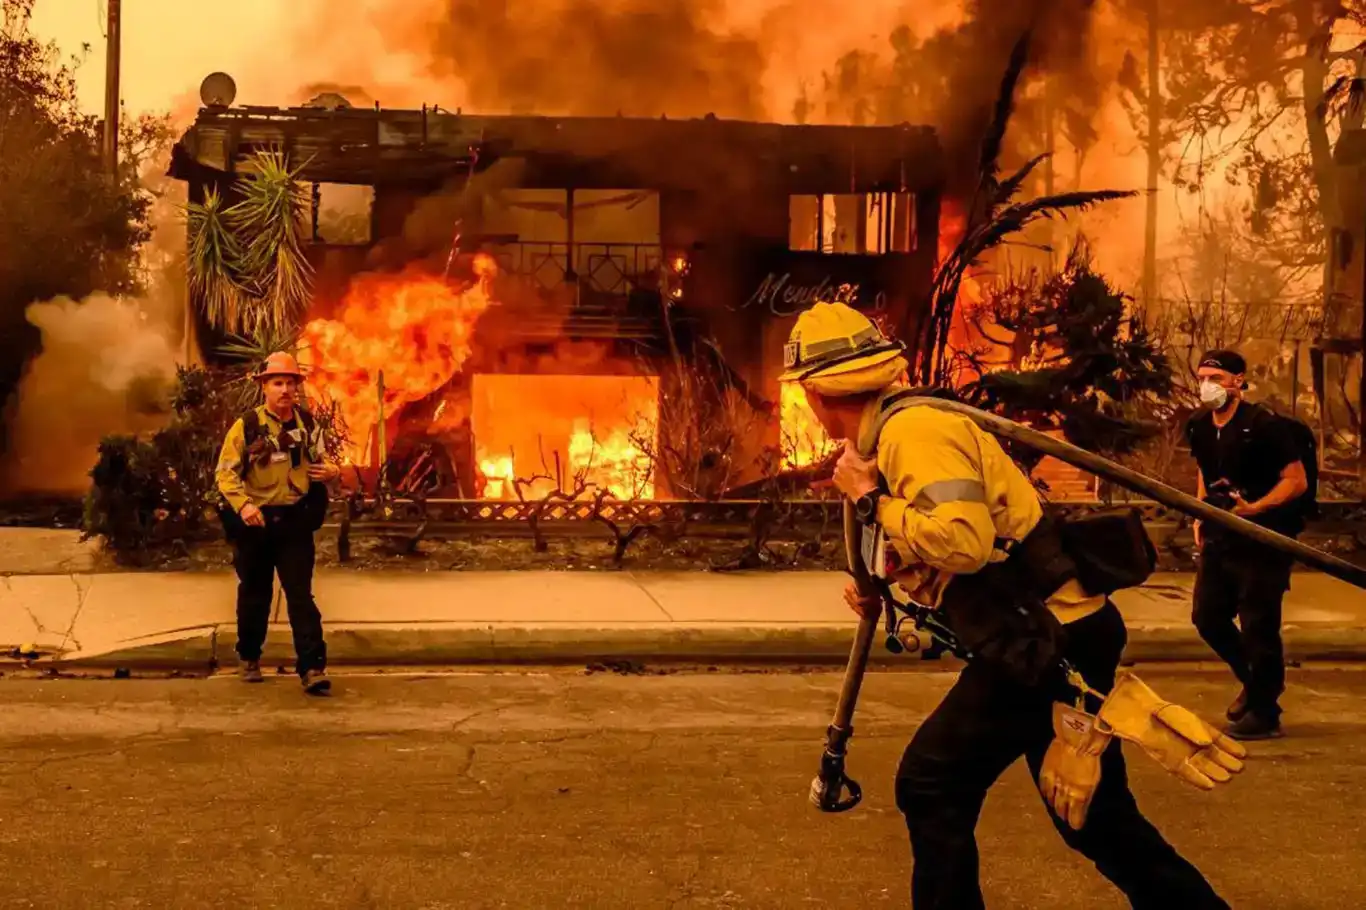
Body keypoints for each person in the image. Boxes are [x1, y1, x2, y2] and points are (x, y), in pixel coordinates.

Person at [781, 301, 1232, 909]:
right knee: (1093, 820)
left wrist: (868, 499)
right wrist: (877, 579)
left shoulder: (914, 433)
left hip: (1047, 639)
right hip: (1051, 632)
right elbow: (932, 535)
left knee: (932, 783)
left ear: (814, 392)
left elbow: (963, 542)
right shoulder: (886, 437)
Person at [1185, 349, 1310, 740]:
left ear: (1238, 380)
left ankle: (1265, 712)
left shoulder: (1264, 425)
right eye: (1203, 378)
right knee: (1208, 618)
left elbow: (1296, 481)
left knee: (1258, 625)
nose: (1208, 386)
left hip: (1264, 539)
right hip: (1220, 535)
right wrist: (1199, 514)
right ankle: (1258, 688)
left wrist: (1255, 509)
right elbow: (1205, 472)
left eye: (1216, 379)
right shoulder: (1199, 425)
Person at [215, 352, 340, 695]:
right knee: (255, 594)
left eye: (290, 383)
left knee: (300, 595)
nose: (285, 389)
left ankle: (312, 668)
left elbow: (323, 460)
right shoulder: (247, 426)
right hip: (256, 523)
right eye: (278, 383)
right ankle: (249, 657)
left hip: (294, 522)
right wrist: (243, 506)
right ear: (264, 387)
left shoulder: (308, 425)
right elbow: (225, 474)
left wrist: (332, 471)